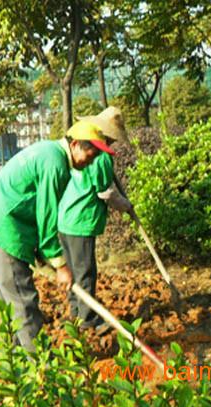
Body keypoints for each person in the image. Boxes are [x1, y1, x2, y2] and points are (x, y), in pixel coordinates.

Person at [0, 121, 117, 351]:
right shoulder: (56, 164)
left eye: (98, 153)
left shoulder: (49, 151)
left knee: (10, 303)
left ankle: (16, 361)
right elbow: (47, 216)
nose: (93, 158)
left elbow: (34, 205)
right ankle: (41, 371)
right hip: (6, 227)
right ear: (76, 144)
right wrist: (59, 264)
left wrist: (39, 250)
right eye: (91, 152)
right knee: (23, 302)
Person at [57, 107, 133, 335]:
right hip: (81, 221)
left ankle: (75, 313)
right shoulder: (101, 157)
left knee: (73, 271)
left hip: (64, 218)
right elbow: (105, 192)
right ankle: (89, 320)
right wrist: (126, 206)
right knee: (85, 273)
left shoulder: (84, 149)